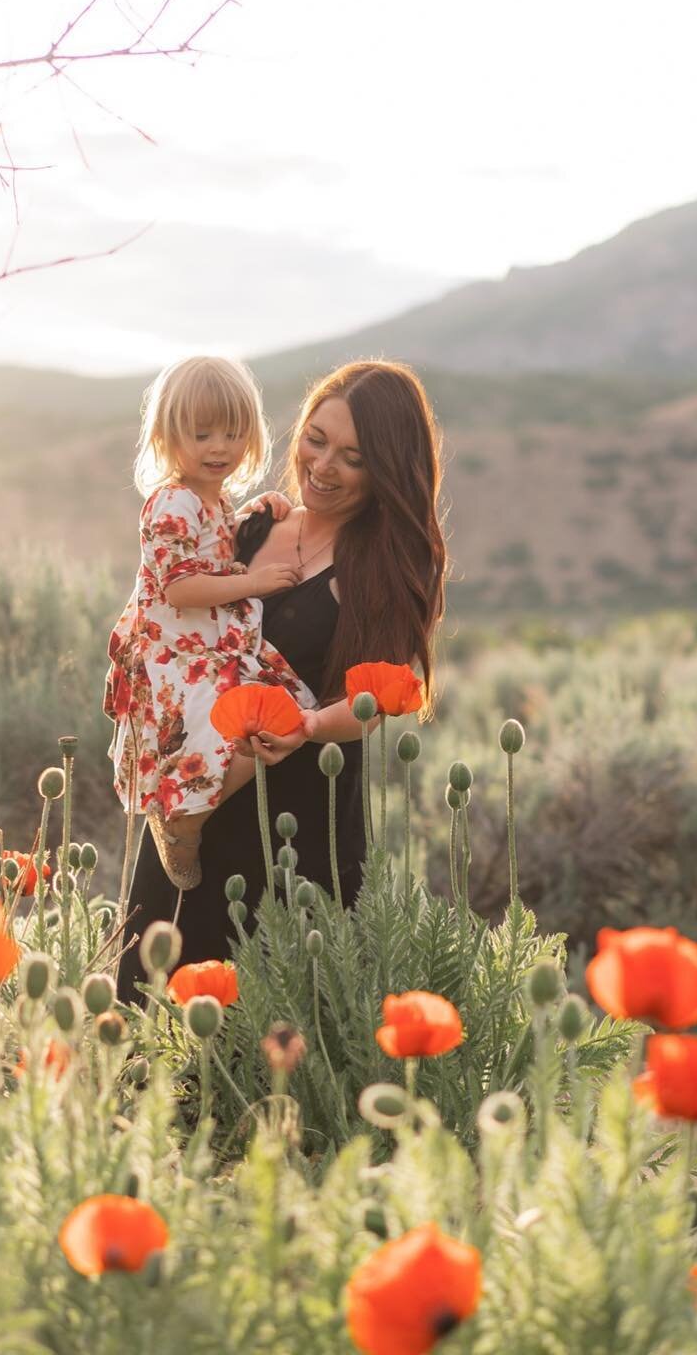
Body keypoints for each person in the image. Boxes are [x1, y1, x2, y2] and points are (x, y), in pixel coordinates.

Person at [118, 360, 448, 997]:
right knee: (147, 1032)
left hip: (297, 838)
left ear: (387, 469)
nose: (323, 467)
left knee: (275, 1050)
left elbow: (376, 699)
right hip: (194, 822)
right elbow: (179, 614)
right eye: (316, 440)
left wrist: (308, 727)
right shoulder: (251, 527)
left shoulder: (389, 568)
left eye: (352, 457)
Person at [104, 355, 313, 891]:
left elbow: (211, 547)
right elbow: (180, 586)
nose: (219, 447)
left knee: (289, 711)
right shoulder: (172, 500)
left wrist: (250, 515)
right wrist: (255, 583)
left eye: (233, 432)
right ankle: (185, 818)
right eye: (201, 434)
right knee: (235, 723)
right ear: (168, 437)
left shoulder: (211, 500)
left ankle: (188, 814)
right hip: (176, 650)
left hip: (208, 640)